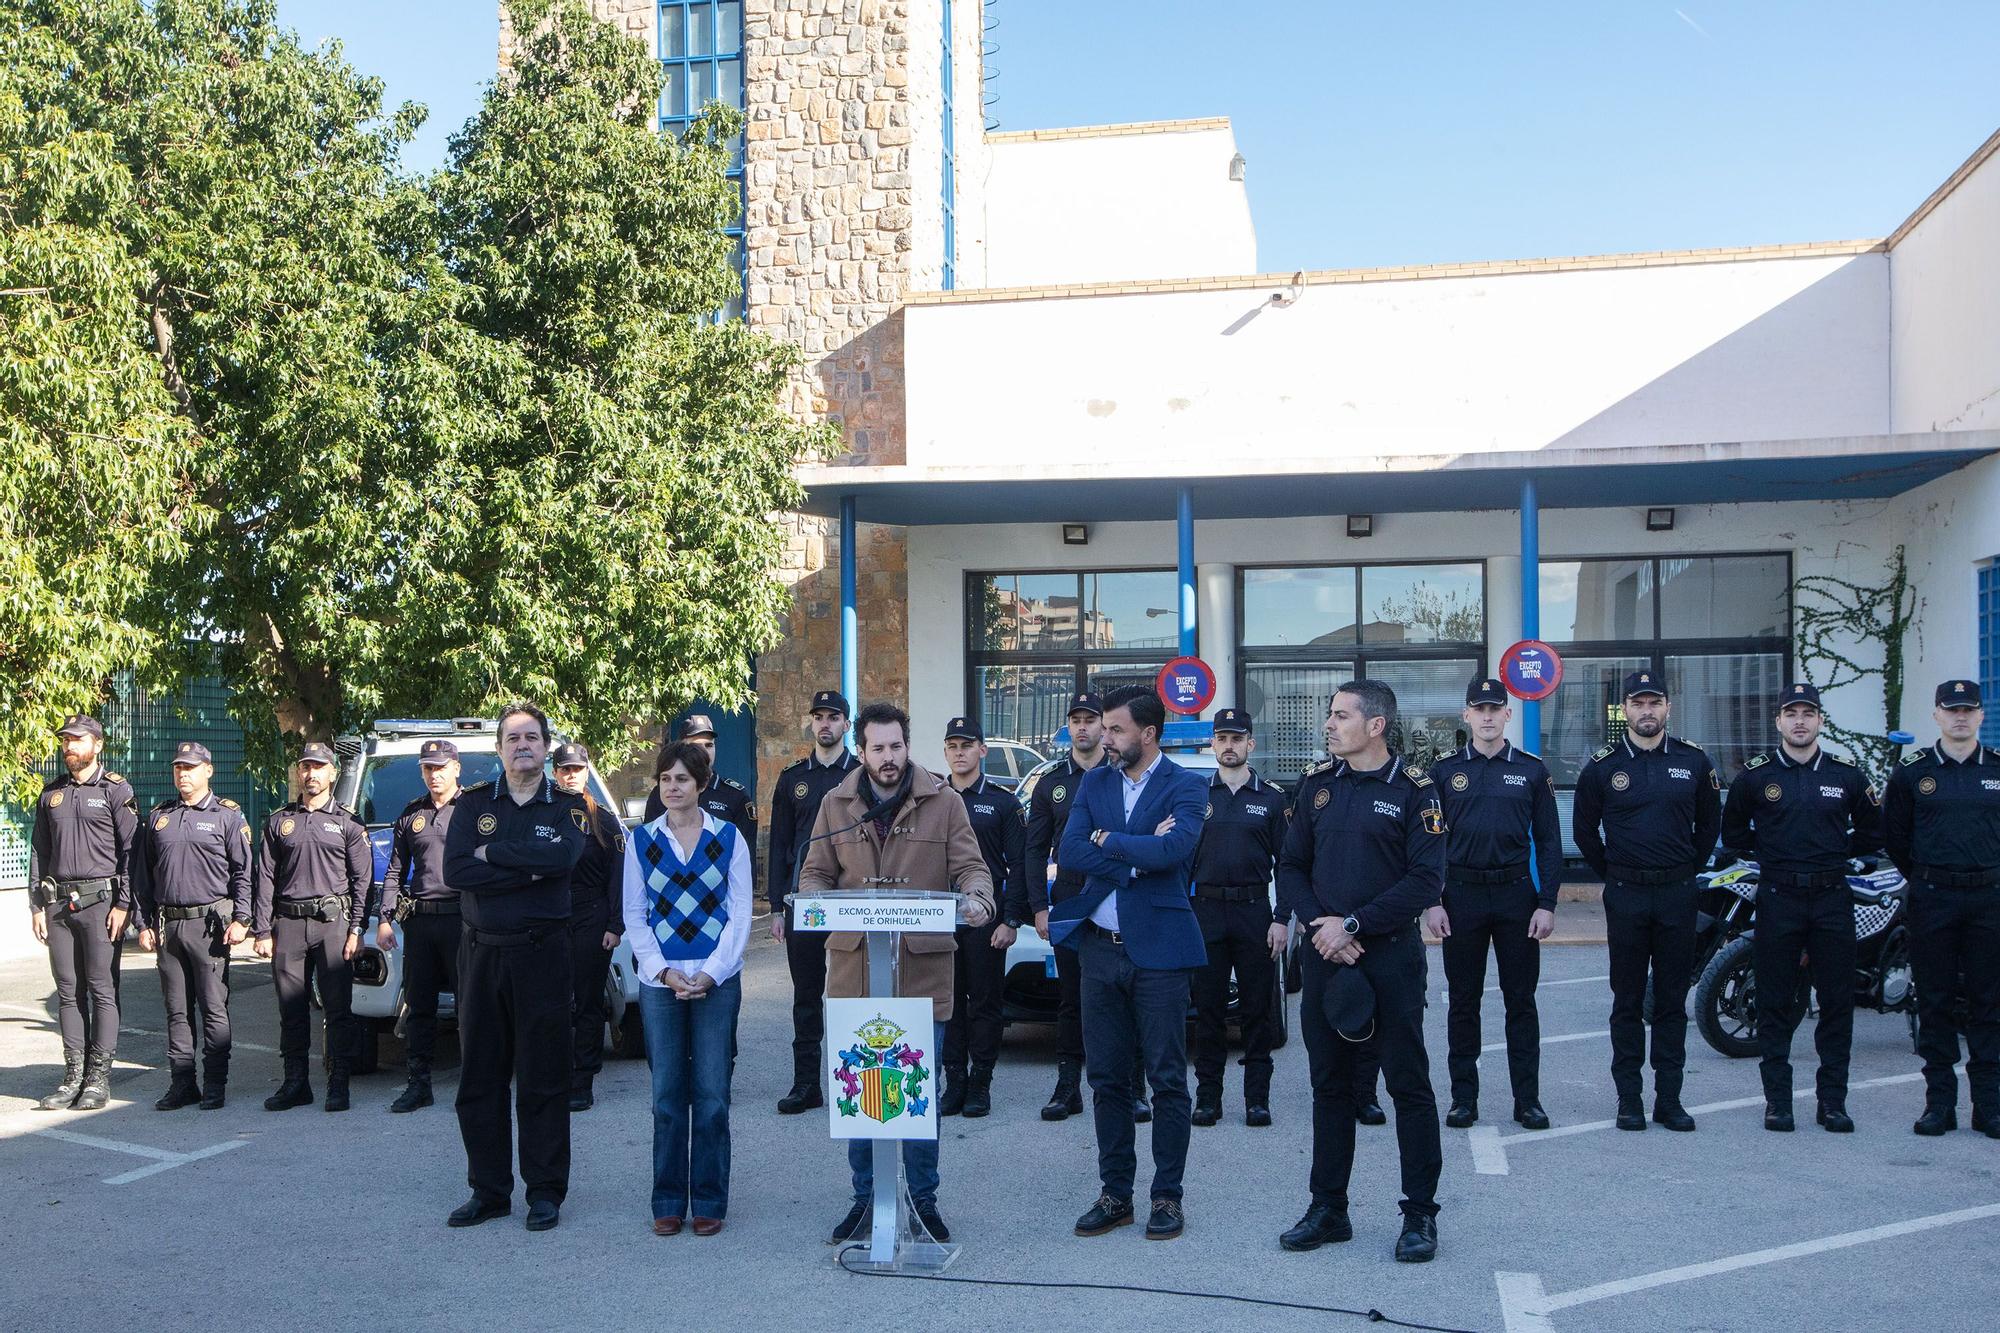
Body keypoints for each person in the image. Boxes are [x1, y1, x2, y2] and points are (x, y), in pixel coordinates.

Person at [798, 701, 994, 1247]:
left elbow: (971, 867)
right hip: (856, 970)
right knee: (861, 1091)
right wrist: (814, 902)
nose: (889, 758)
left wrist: (978, 899)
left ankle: (922, 1200)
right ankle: (865, 1199)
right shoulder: (836, 804)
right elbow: (815, 871)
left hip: (921, 974)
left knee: (916, 1093)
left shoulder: (944, 801)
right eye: (878, 748)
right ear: (862, 751)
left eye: (897, 747)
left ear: (908, 747)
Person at [1276, 680, 1446, 1264]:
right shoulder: (1318, 786)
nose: (1329, 723)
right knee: (1330, 1086)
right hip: (1326, 958)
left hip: (1389, 958)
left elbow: (1425, 882)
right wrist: (1321, 925)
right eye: (1330, 714)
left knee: (1407, 1085)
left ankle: (1419, 1214)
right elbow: (1291, 865)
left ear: (1375, 725)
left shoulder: (1415, 792)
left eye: (1340, 715)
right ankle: (1329, 1209)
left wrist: (1351, 925)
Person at [1053, 686, 1208, 1243]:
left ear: (1148, 734)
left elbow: (1176, 853)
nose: (1103, 737)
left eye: (1115, 729)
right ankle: (1115, 1193)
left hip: (1162, 952)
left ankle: (1167, 1197)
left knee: (1167, 1079)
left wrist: (1110, 841)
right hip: (1099, 948)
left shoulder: (1188, 786)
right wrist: (1134, 851)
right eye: (1103, 728)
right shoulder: (1093, 781)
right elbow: (1071, 851)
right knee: (1107, 1079)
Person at [443, 702, 589, 1232]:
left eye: (532, 737)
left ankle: (545, 1191)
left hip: (542, 955)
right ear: (499, 748)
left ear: (546, 747)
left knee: (543, 1077)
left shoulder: (567, 808)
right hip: (481, 955)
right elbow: (456, 869)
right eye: (513, 738)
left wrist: (494, 855)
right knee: (479, 1078)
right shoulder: (473, 805)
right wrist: (526, 866)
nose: (522, 745)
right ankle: (489, 1191)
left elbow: (563, 861)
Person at [1721, 682, 1883, 1133]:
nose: (1799, 721)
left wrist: (1841, 853)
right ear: (1778, 721)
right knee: (1775, 1001)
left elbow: (1873, 832)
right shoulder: (1755, 776)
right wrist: (1771, 856)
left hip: (1832, 897)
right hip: (1779, 897)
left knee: (1835, 1003)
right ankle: (1778, 1102)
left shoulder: (1846, 774)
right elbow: (1733, 833)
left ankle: (1832, 1102)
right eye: (1791, 714)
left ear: (1820, 722)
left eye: (1807, 714)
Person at [1573, 671, 1721, 1133]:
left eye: (1655, 702)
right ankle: (1629, 1099)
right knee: (1628, 999)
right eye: (1638, 703)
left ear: (1667, 708)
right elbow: (1584, 833)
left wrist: (1681, 870)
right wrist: (1617, 874)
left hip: (1678, 893)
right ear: (1626, 710)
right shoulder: (1602, 767)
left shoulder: (1694, 762)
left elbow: (1708, 828)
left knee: (1672, 1000)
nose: (1647, 711)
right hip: (1627, 895)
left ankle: (1670, 1100)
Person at [624, 741, 753, 1236]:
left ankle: (710, 1200)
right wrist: (661, 971)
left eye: (682, 779)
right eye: (665, 779)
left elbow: (740, 912)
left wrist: (713, 972)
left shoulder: (729, 839)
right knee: (667, 1095)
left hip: (715, 980)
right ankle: (668, 1199)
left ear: (700, 784)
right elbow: (635, 914)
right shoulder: (641, 842)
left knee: (713, 1094)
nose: (673, 787)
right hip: (660, 983)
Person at [1427, 679, 1564, 1131]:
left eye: (1495, 708)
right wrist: (1432, 901)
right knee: (1463, 1003)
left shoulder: (1530, 770)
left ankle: (1528, 1100)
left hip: (1516, 898)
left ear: (1509, 715)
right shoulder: (1444, 772)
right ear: (1466, 715)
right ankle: (1463, 1099)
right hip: (1460, 897)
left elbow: (1548, 841)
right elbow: (1427, 843)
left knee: (1520, 1002)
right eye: (1478, 708)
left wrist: (1547, 904)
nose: (1487, 716)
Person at [1883, 679, 2000, 1138]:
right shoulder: (1913, 772)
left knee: (1988, 1002)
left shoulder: (1996, 769)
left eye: (1968, 710)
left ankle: (1989, 1107)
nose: (1960, 717)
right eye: (1951, 710)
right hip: (1932, 898)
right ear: (1936, 715)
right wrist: (1928, 878)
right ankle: (1939, 1105)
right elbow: (1895, 837)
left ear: (1981, 716)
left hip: (1989, 899)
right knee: (1933, 1001)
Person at [132, 743, 252, 1110]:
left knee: (213, 1007)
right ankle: (183, 1083)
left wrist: (243, 918)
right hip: (169, 927)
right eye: (179, 768)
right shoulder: (159, 817)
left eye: (191, 767)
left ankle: (215, 1083)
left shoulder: (226, 816)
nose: (183, 774)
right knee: (176, 1010)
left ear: (208, 771)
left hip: (210, 926)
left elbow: (243, 872)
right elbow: (142, 876)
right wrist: (143, 922)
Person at [252, 742, 370, 1113]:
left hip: (332, 923)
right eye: (305, 766)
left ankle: (338, 1083)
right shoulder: (278, 821)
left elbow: (361, 880)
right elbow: (265, 878)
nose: (311, 773)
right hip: (287, 923)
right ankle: (295, 1083)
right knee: (292, 1009)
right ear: (298, 772)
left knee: (338, 1009)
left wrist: (356, 929)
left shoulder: (348, 822)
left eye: (319, 767)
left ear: (333, 773)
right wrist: (260, 930)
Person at [1188, 708, 1289, 1129]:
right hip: (1206, 913)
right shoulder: (1194, 796)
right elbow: (1179, 860)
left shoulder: (1271, 798)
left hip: (1254, 913)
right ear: (1213, 744)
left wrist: (1283, 918)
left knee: (1256, 1012)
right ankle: (1208, 1098)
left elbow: (1288, 863)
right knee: (1207, 1012)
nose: (1229, 746)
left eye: (1237, 738)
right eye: (1222, 738)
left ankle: (1256, 1099)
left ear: (1251, 744)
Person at [29, 714, 136, 1111]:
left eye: (77, 740)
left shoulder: (115, 791)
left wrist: (124, 904)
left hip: (100, 904)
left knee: (101, 989)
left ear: (97, 745)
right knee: (68, 992)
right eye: (66, 741)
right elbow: (39, 851)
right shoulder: (51, 794)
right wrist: (37, 904)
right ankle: (72, 1076)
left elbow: (131, 853)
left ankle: (98, 1078)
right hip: (58, 905)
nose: (69, 746)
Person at [767, 690, 859, 1114]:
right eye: (819, 716)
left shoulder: (861, 774)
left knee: (850, 992)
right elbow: (780, 845)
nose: (825, 723)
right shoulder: (792, 778)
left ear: (846, 723)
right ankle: (807, 1083)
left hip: (851, 901)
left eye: (833, 716)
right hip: (804, 901)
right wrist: (775, 907)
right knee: (807, 995)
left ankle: (854, 1079)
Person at [1026, 692, 1111, 1122]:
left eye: (1090, 719)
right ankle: (1067, 1087)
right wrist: (1039, 907)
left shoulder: (1121, 775)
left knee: (1119, 995)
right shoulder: (1052, 783)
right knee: (1071, 998)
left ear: (1102, 726)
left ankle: (1128, 1087)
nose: (1082, 727)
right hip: (1070, 900)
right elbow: (1034, 850)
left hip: (1115, 896)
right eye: (1075, 719)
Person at [939, 716, 1027, 1118]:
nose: (959, 752)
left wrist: (1011, 920)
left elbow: (1019, 864)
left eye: (966, 745)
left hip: (985, 918)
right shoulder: (933, 799)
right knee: (947, 1004)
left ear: (982, 750)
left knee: (985, 1003)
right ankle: (953, 1080)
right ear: (945, 752)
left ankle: (981, 1083)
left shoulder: (1003, 801)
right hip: (940, 918)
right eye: (953, 745)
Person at [375, 738, 463, 1113]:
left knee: (473, 1005)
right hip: (422, 923)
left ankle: (479, 1080)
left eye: (440, 767)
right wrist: (384, 919)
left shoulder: (473, 810)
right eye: (428, 768)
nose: (434, 775)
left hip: (463, 921)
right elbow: (395, 870)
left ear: (456, 768)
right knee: (420, 1006)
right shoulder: (412, 814)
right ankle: (418, 1083)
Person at [554, 742, 625, 1111]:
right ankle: (553, 1075)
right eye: (564, 769)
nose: (570, 774)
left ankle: (582, 1079)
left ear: (586, 771)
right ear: (554, 772)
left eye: (576, 769)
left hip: (590, 914)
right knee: (550, 1001)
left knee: (586, 1002)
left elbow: (618, 874)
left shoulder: (602, 818)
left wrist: (615, 923)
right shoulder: (542, 811)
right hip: (548, 916)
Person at [643, 714, 756, 857]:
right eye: (696, 746)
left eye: (709, 745)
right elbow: (649, 844)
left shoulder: (735, 796)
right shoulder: (664, 794)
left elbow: (745, 856)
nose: (704, 752)